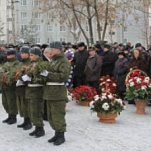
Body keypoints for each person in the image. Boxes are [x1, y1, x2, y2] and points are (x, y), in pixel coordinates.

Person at [41, 41, 70, 145]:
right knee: (51, 115)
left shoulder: (63, 61)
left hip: (57, 92)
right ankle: (56, 133)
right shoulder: (53, 61)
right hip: (49, 92)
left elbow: (63, 76)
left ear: (58, 49)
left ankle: (61, 135)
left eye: (52, 49)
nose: (50, 51)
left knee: (58, 115)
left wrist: (48, 74)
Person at [22, 47, 45, 138]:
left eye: (32, 55)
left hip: (37, 91)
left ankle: (40, 128)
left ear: (37, 55)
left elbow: (42, 78)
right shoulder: (32, 64)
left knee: (37, 110)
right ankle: (36, 127)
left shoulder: (41, 64)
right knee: (32, 110)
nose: (30, 57)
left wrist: (31, 79)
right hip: (30, 90)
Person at [15, 46, 32, 130]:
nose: (21, 55)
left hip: (27, 87)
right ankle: (25, 120)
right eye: (21, 53)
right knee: (22, 105)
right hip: (21, 87)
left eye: (23, 53)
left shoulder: (29, 63)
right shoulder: (22, 63)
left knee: (26, 105)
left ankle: (28, 122)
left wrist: (23, 79)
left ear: (28, 54)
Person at [1, 48, 19, 124]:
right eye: (7, 54)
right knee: (5, 102)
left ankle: (13, 116)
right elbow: (2, 71)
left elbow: (12, 73)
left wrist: (4, 74)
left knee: (11, 102)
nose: (7, 56)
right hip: (3, 85)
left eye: (9, 54)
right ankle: (9, 115)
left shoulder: (16, 63)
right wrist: (4, 74)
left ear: (14, 55)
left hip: (11, 86)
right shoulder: (6, 63)